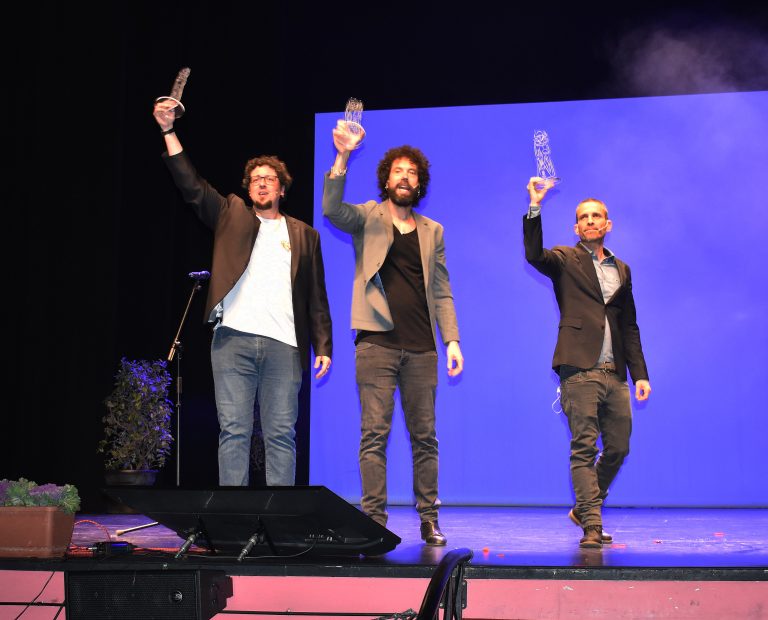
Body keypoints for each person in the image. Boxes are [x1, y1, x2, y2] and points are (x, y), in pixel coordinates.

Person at [152, 99, 332, 487]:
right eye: (255, 179)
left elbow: (317, 296)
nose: (262, 183)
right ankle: (233, 519)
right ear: (248, 188)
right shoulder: (230, 213)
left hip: (285, 345)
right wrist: (169, 130)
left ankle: (279, 522)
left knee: (281, 435)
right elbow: (191, 185)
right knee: (233, 431)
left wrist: (324, 346)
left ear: (282, 188)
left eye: (269, 179)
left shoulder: (304, 234)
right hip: (232, 340)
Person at [322, 120, 463, 546]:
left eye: (412, 172)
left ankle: (428, 518)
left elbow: (441, 289)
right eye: (398, 171)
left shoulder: (432, 230)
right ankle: (374, 521)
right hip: (377, 345)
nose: (404, 177)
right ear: (386, 178)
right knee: (374, 435)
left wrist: (452, 340)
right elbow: (331, 210)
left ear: (420, 184)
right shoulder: (368, 216)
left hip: (422, 348)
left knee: (425, 437)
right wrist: (343, 155)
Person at [523, 177, 651, 548]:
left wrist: (640, 373)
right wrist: (535, 206)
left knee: (619, 448)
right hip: (578, 368)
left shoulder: (622, 270)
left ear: (608, 225)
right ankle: (592, 526)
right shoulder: (565, 259)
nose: (591, 221)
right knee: (584, 447)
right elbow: (534, 255)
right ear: (577, 227)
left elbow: (629, 325)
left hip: (615, 372)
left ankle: (583, 507)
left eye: (598, 216)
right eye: (584, 217)